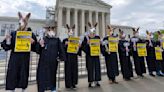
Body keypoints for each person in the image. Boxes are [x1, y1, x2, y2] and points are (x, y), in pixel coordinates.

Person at [1, 12, 37, 92]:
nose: (21, 24)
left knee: (23, 74)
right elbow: (7, 47)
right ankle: (12, 90)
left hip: (24, 59)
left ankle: (23, 90)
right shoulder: (14, 34)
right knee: (13, 74)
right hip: (14, 58)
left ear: (26, 23)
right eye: (20, 22)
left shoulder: (30, 34)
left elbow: (36, 47)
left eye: (23, 22)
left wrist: (33, 42)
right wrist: (8, 40)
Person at [36, 21, 66, 92]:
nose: (51, 30)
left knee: (52, 77)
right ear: (47, 30)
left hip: (52, 62)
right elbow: (38, 51)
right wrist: (40, 45)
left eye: (52, 29)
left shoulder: (57, 40)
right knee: (41, 77)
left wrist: (60, 57)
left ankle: (53, 89)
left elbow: (61, 50)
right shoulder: (43, 39)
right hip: (43, 62)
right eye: (49, 29)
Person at [81, 22, 101, 87]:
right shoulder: (86, 38)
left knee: (97, 68)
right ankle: (90, 81)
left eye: (94, 31)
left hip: (96, 55)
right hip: (89, 56)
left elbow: (100, 46)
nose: (92, 33)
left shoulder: (97, 37)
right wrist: (87, 44)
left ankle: (97, 81)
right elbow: (83, 47)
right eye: (91, 31)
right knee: (90, 68)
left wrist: (100, 44)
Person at [62, 24, 81, 89]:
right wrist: (65, 45)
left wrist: (79, 47)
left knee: (74, 70)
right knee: (68, 71)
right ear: (68, 32)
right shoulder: (65, 40)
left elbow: (78, 51)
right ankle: (68, 84)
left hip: (74, 57)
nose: (71, 33)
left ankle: (73, 83)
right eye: (70, 32)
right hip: (67, 58)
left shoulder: (76, 40)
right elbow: (62, 49)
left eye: (72, 32)